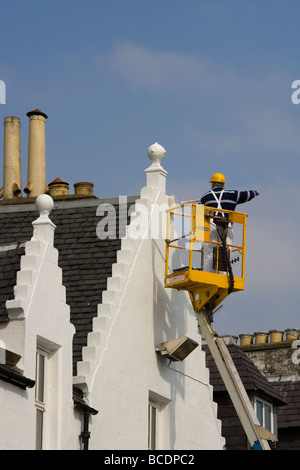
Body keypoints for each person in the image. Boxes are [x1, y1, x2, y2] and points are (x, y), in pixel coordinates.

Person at [200, 172, 260, 274]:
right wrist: (255, 192)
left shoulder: (206, 196)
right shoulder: (232, 194)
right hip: (226, 226)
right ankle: (223, 276)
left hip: (211, 226)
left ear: (212, 185)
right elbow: (246, 195)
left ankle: (208, 274)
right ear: (223, 185)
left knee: (209, 251)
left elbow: (198, 209)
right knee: (225, 251)